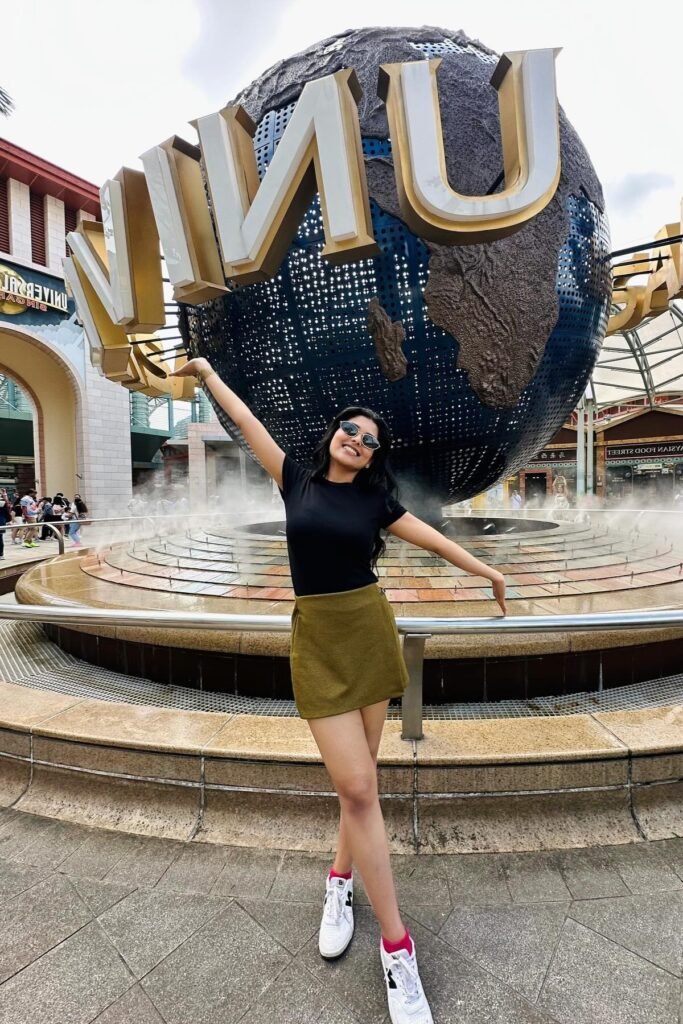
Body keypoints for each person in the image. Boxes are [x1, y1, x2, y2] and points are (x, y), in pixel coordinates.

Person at [172, 357, 507, 1024]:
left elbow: (435, 539)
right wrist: (208, 374)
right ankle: (396, 946)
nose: (355, 438)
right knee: (355, 790)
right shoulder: (293, 479)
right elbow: (245, 418)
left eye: (368, 438)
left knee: (362, 790)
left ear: (373, 455)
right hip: (320, 641)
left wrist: (487, 572)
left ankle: (338, 881)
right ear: (332, 434)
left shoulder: (374, 501)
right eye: (349, 429)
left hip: (369, 632)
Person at [0, 489, 14, 559]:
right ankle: (1, 554)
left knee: (0, 537)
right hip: (2, 520)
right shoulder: (4, 502)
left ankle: (1, 554)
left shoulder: (3, 502)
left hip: (1, 521)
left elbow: (8, 509)